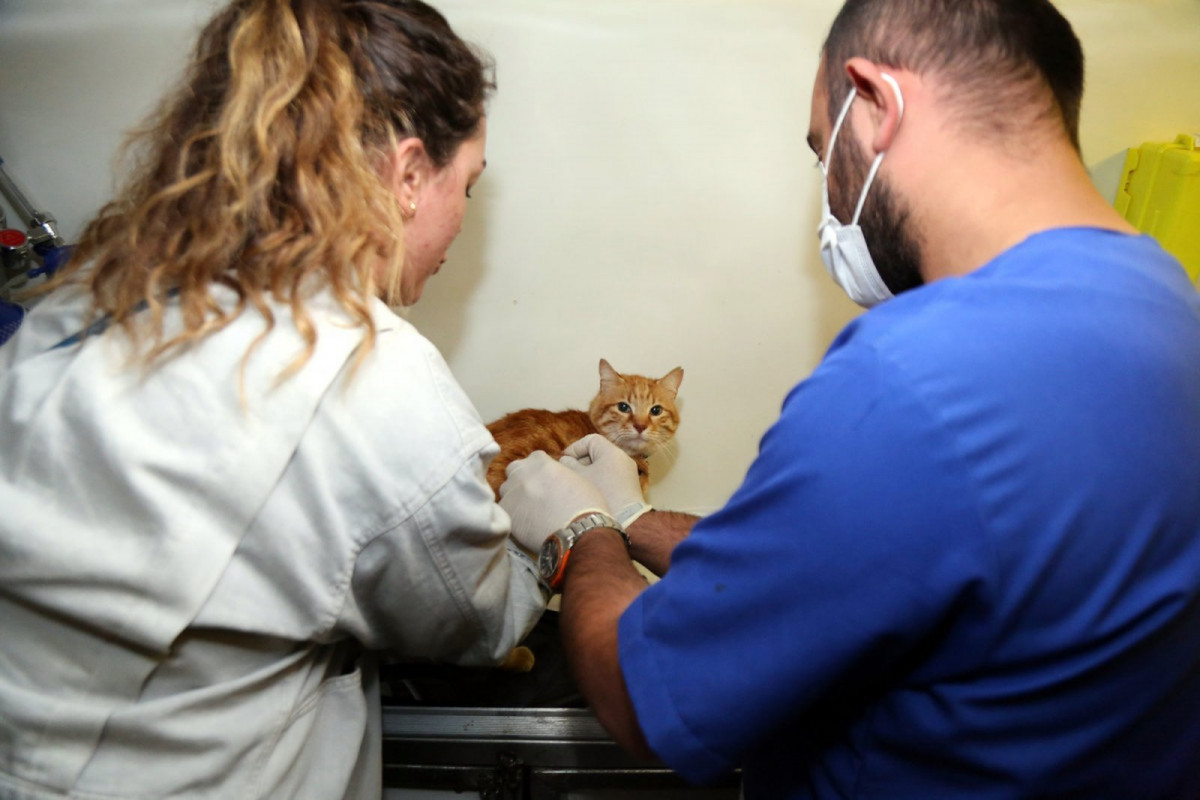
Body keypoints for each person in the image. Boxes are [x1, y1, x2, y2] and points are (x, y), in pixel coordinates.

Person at [497, 0, 1200, 797]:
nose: (829, 199)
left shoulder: (909, 377)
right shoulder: (1170, 312)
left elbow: (643, 695)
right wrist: (631, 518)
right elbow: (869, 559)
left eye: (819, 154)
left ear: (876, 104)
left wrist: (581, 533)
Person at [0, 1, 546, 798]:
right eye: (467, 184)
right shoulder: (370, 372)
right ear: (407, 176)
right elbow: (476, 621)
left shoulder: (84, 300)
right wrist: (563, 534)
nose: (461, 219)